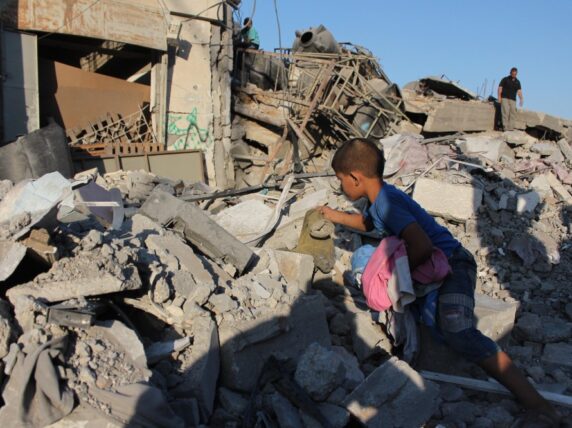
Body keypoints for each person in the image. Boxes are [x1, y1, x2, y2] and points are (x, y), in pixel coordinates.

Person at [319, 138, 560, 425]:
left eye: (340, 180)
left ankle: (536, 401)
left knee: (457, 329)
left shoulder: (388, 204)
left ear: (355, 178)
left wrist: (397, 280)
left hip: (454, 264)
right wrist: (334, 216)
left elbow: (420, 246)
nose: (340, 186)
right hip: (434, 268)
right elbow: (369, 224)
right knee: (430, 321)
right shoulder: (379, 199)